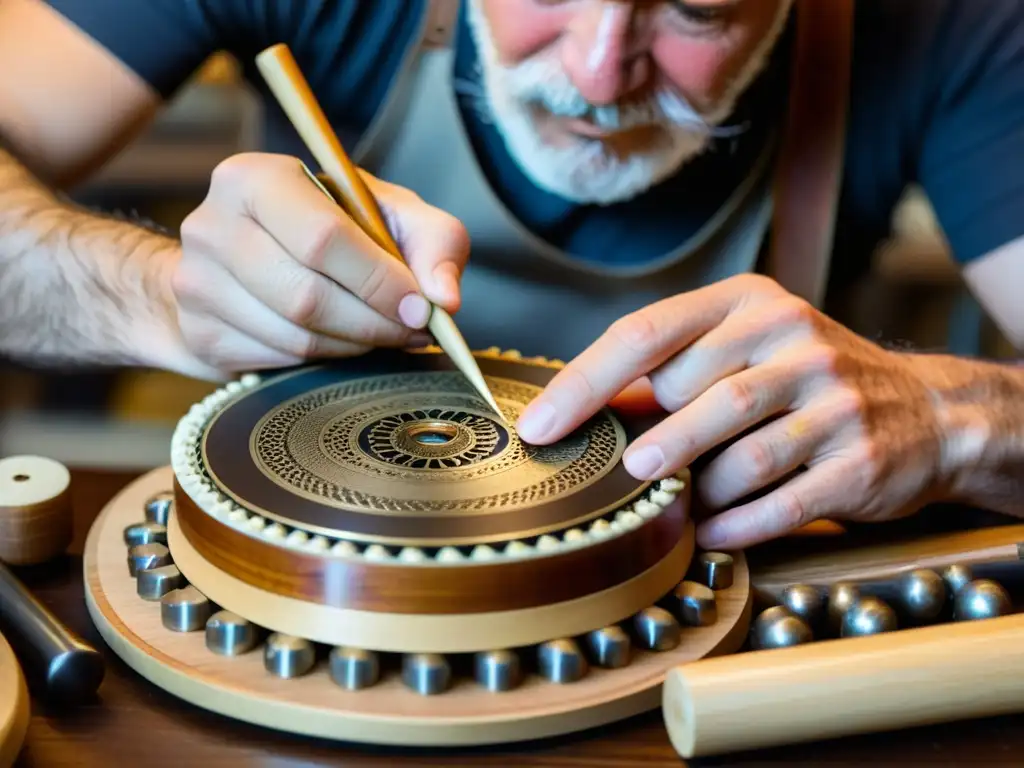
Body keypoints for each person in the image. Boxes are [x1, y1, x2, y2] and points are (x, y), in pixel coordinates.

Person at [0, 0, 1021, 550]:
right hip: (314, 587)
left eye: (697, 11)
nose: (595, 68)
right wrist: (160, 296)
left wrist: (960, 417)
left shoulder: (950, 24)